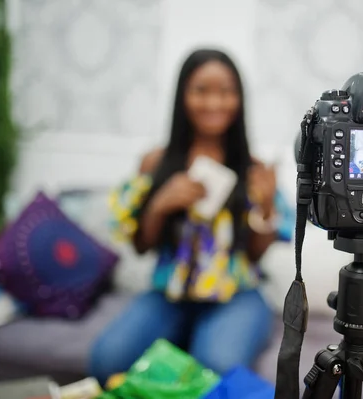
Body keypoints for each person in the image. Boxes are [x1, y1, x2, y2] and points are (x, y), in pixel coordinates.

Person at [88, 49, 293, 385]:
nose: (214, 103)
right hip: (169, 296)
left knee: (214, 369)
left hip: (235, 296)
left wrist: (267, 206)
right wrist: (159, 205)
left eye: (225, 91)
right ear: (183, 96)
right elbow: (141, 247)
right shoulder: (155, 163)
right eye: (202, 90)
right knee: (105, 361)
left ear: (239, 99)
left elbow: (256, 253)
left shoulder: (254, 168)